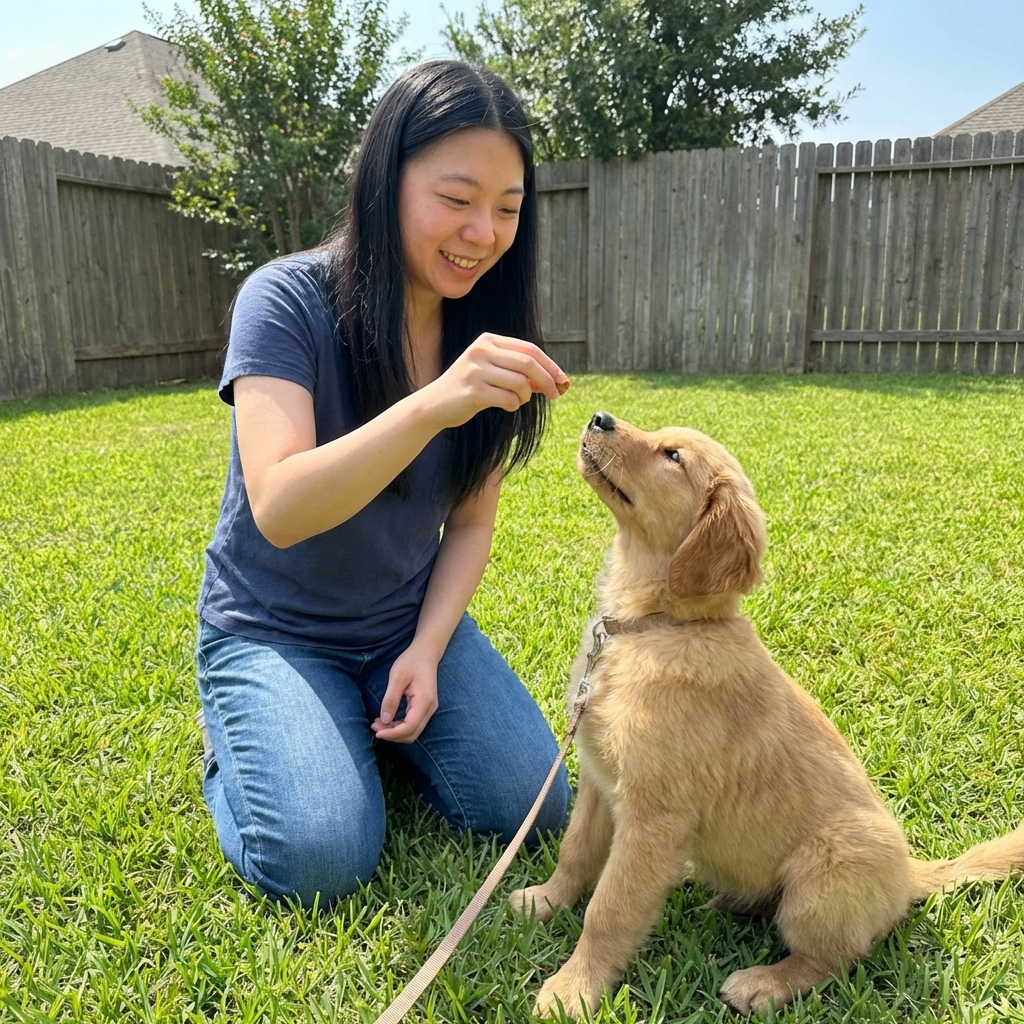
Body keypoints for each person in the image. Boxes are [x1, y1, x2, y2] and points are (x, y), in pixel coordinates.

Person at [194, 60, 572, 905]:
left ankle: (362, 727)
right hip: (272, 629)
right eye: (456, 198)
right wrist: (432, 404)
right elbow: (282, 507)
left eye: (508, 210)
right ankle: (241, 736)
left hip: (400, 625)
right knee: (324, 859)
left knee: (537, 807)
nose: (484, 232)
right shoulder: (285, 301)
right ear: (384, 177)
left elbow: (470, 524)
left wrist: (428, 651)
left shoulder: (486, 329)